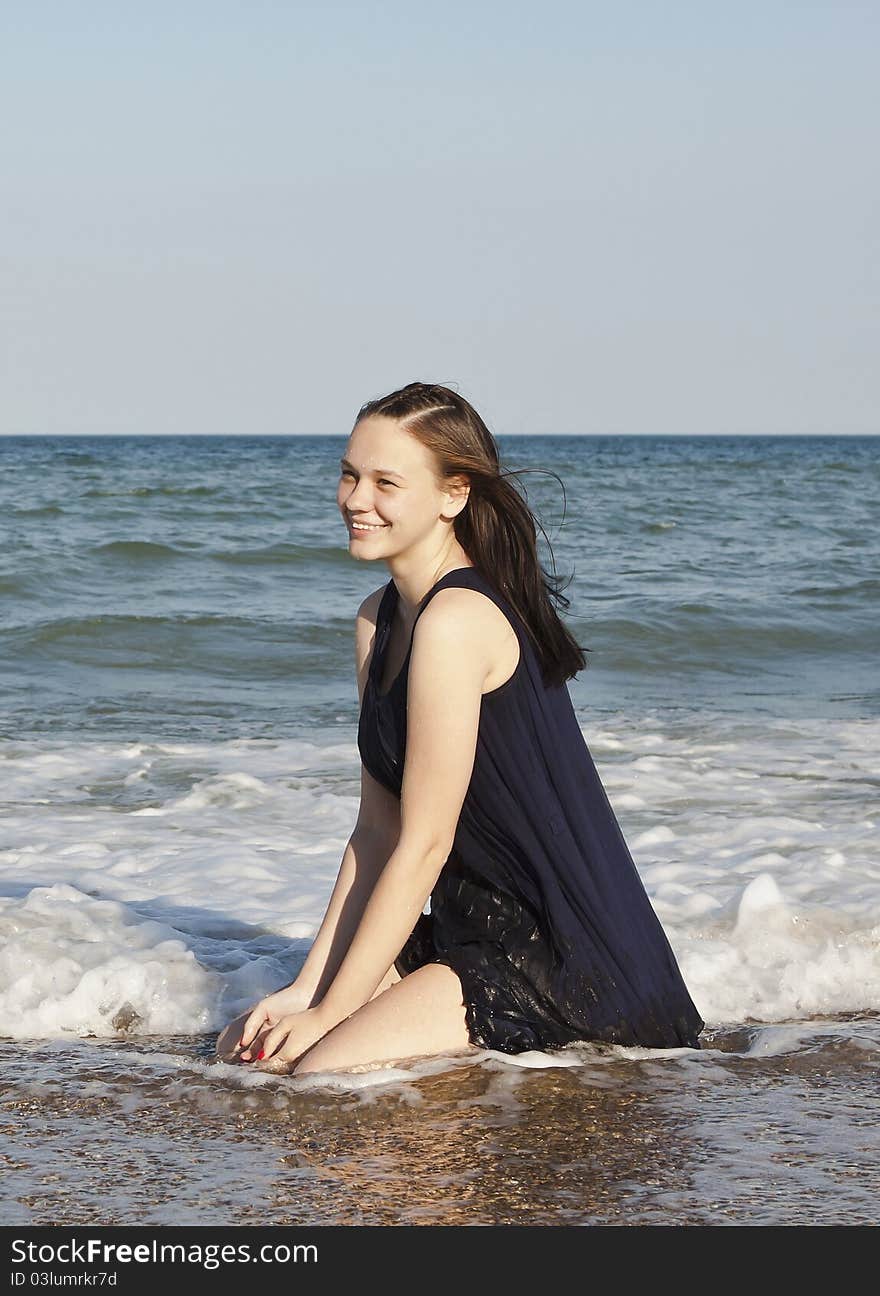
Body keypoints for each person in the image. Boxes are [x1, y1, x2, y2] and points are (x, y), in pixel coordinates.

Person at [215, 381, 704, 1075]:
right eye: (350, 475)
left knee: (321, 1074)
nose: (356, 499)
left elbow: (426, 841)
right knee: (252, 1052)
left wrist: (329, 1015)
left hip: (561, 957)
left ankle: (460, 1178)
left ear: (453, 494)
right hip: (467, 934)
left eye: (386, 481)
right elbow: (377, 832)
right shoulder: (376, 619)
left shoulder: (456, 622)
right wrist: (307, 991)